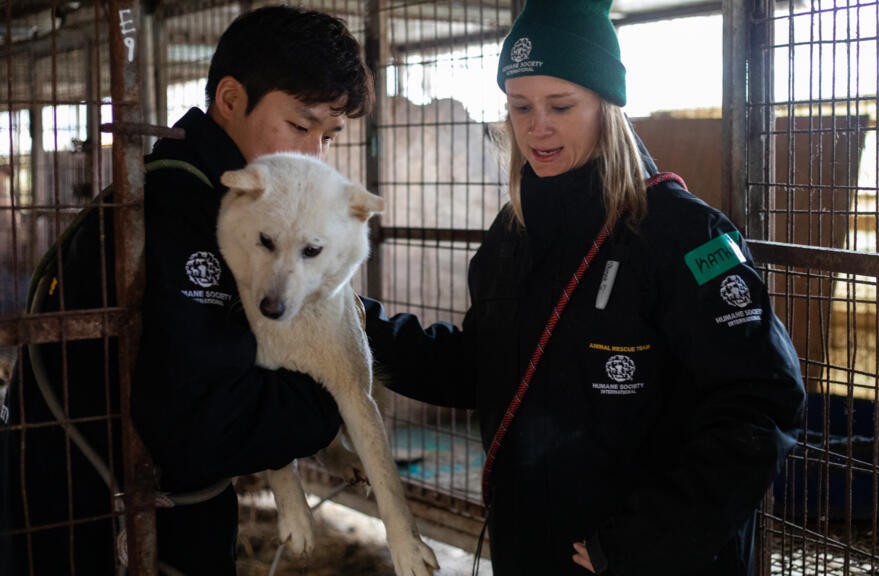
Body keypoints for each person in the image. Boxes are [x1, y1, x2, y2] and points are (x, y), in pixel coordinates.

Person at [362, 1, 806, 574]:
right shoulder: (511, 234)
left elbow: (760, 401)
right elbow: (482, 366)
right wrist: (355, 325)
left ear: (606, 105)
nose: (537, 126)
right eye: (520, 106)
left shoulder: (685, 235)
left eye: (561, 105)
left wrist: (644, 541)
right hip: (532, 548)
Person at [0, 6, 373, 574]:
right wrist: (336, 398)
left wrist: (416, 350)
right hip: (87, 525)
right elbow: (205, 428)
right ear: (231, 99)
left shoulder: (228, 199)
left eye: (328, 137)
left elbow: (321, 311)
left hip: (137, 510)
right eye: (300, 128)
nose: (313, 157)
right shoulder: (180, 211)